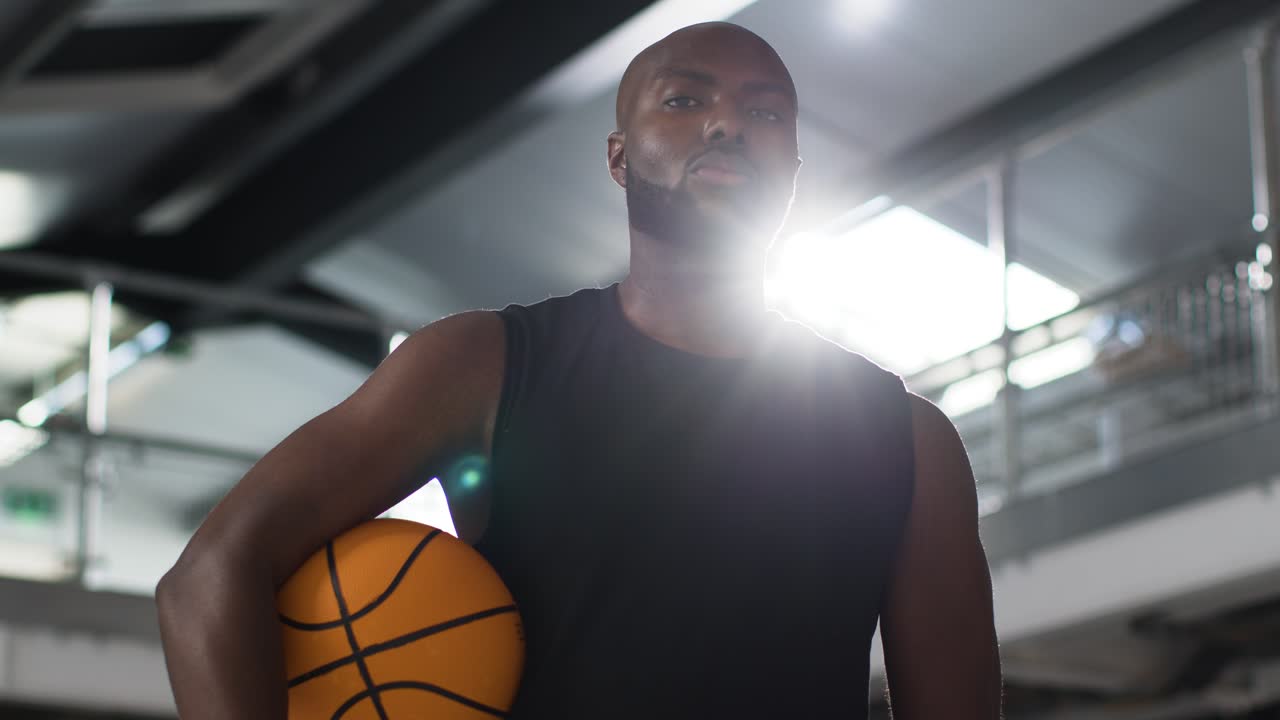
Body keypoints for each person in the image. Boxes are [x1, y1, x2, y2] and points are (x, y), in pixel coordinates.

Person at [156, 21, 1002, 719]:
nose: (727, 124)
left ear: (793, 173)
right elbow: (208, 579)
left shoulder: (908, 441)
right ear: (618, 157)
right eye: (684, 99)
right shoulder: (481, 365)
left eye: (767, 112)